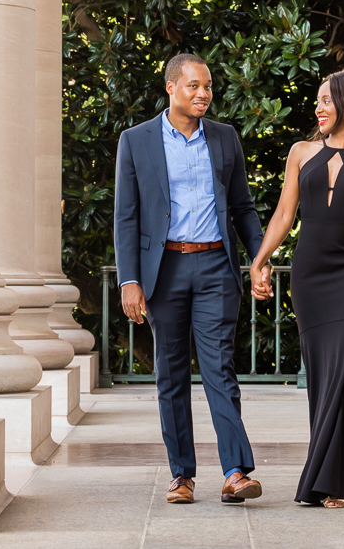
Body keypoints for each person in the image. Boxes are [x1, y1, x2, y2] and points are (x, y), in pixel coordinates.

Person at [114, 53, 272, 504]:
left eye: (207, 86)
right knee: (171, 373)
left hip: (216, 267)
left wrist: (259, 258)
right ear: (171, 87)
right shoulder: (137, 140)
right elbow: (126, 216)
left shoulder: (224, 138)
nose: (203, 93)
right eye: (193, 86)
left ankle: (236, 471)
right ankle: (181, 475)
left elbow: (242, 207)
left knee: (220, 367)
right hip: (163, 270)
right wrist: (130, 280)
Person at [248, 69, 344, 508]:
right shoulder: (301, 152)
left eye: (328, 100)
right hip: (310, 274)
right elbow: (282, 215)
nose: (319, 107)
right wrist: (259, 261)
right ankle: (326, 478)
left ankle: (335, 482)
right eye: (317, 100)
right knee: (321, 374)